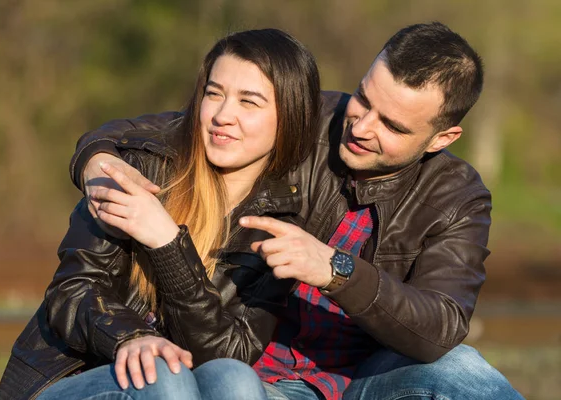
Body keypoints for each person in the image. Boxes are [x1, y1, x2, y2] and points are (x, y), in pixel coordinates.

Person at [69, 22, 524, 399]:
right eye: (364, 99)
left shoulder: (457, 197)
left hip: (364, 382)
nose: (362, 126)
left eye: (392, 125)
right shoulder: (316, 117)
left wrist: (336, 270)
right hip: (254, 373)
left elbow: (440, 325)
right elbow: (185, 127)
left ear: (442, 139)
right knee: (233, 382)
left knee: (463, 370)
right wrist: (94, 155)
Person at [0, 28, 322, 400]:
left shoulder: (280, 225)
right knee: (163, 376)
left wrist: (167, 244)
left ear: (290, 116)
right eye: (214, 94)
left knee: (236, 381)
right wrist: (131, 338)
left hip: (179, 384)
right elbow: (72, 291)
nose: (223, 115)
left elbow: (227, 353)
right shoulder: (140, 169)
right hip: (74, 380)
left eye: (249, 102)